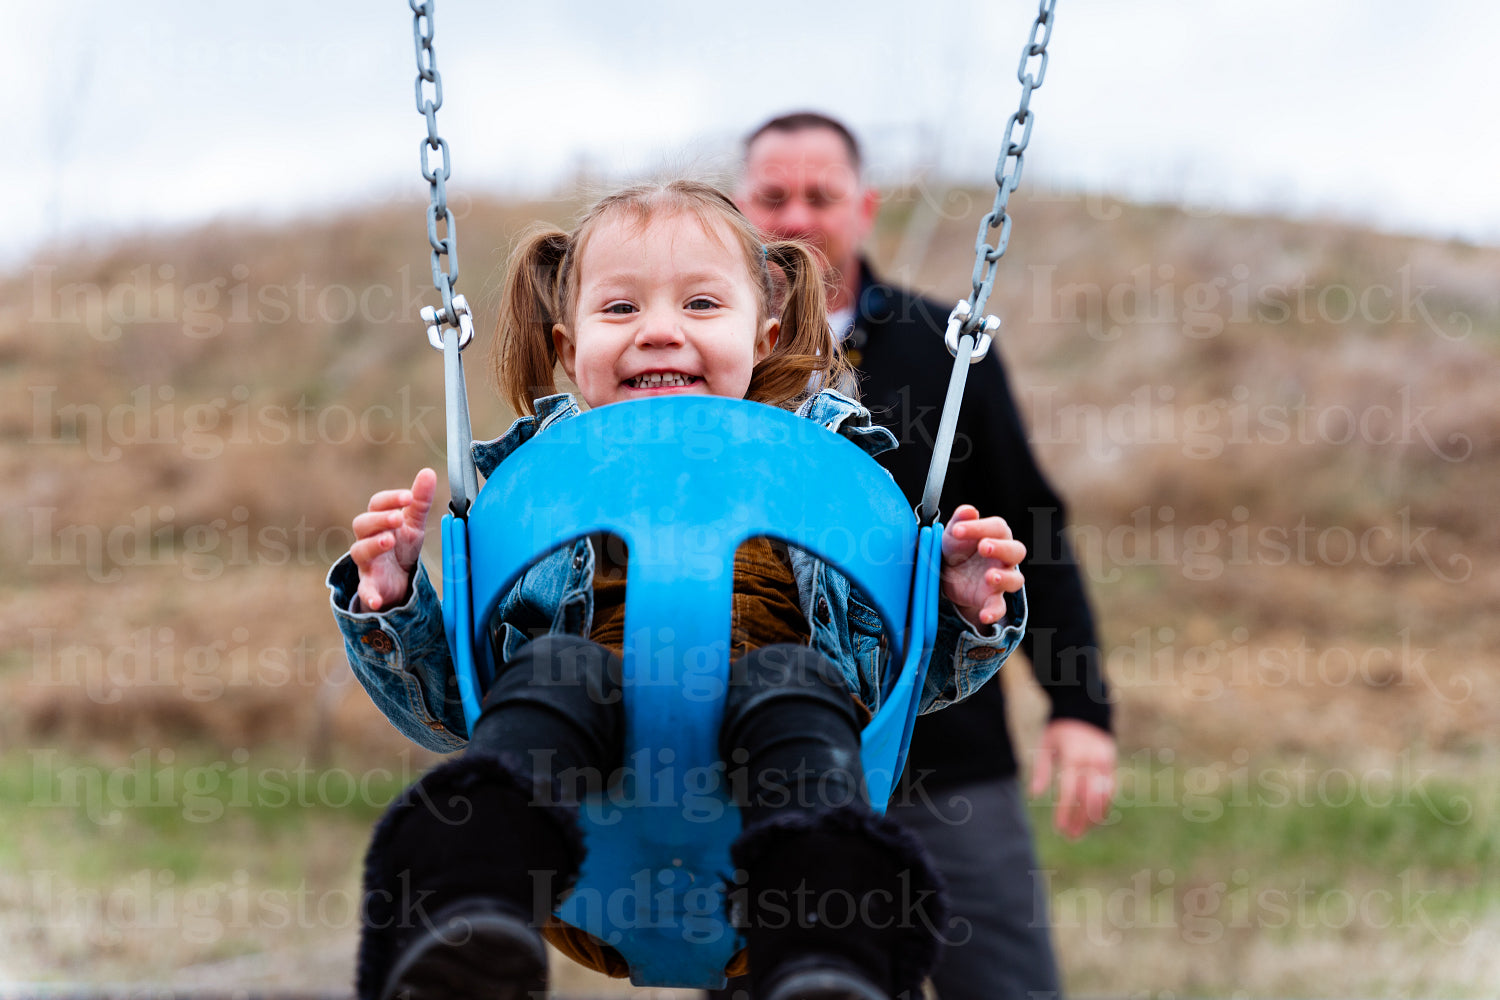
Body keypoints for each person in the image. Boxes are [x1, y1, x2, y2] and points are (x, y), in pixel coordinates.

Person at [327, 179, 1035, 1000]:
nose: (659, 331)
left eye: (701, 305)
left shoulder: (827, 465)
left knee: (797, 682)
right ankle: (463, 929)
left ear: (763, 335)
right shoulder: (531, 486)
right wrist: (394, 604)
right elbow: (457, 709)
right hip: (583, 856)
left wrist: (960, 610)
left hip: (755, 852)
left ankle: (829, 966)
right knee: (558, 673)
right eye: (620, 310)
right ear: (567, 345)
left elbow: (903, 682)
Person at [731, 112, 1117, 1000]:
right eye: (773, 195)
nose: (796, 217)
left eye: (820, 196)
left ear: (862, 207)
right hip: (754, 754)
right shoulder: (704, 354)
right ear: (741, 208)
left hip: (947, 749)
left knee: (1005, 983)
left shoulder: (947, 346)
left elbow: (1030, 527)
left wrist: (1079, 704)